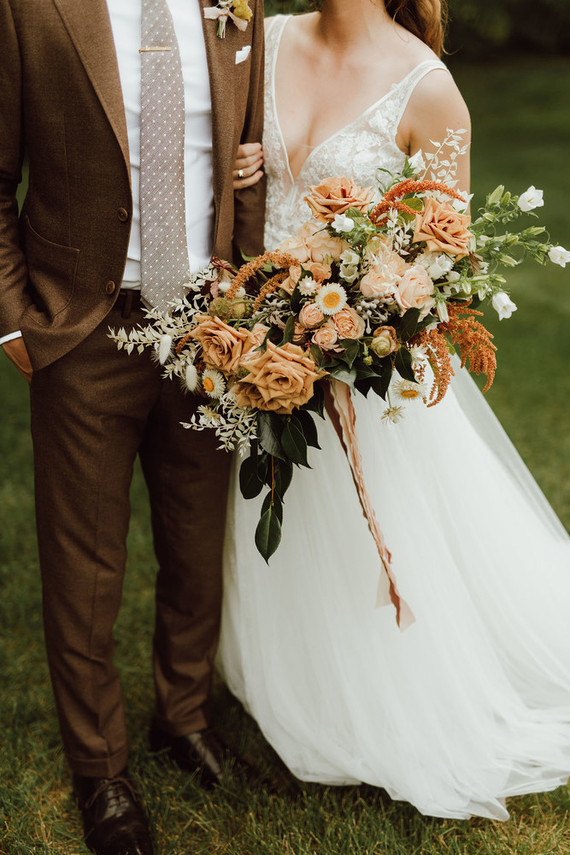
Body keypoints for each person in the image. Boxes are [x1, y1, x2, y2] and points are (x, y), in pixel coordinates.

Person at [221, 0, 570, 821]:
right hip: (261, 357)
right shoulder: (261, 43)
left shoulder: (430, 87)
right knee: (281, 529)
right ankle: (296, 681)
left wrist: (354, 331)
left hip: (366, 380)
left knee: (380, 543)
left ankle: (387, 701)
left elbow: (445, 261)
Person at [0, 1, 265, 853]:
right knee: (85, 562)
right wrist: (13, 315)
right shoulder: (29, 9)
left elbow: (243, 167)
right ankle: (101, 769)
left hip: (206, 324)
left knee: (196, 538)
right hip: (85, 326)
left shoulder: (233, 4)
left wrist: (251, 304)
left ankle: (182, 717)